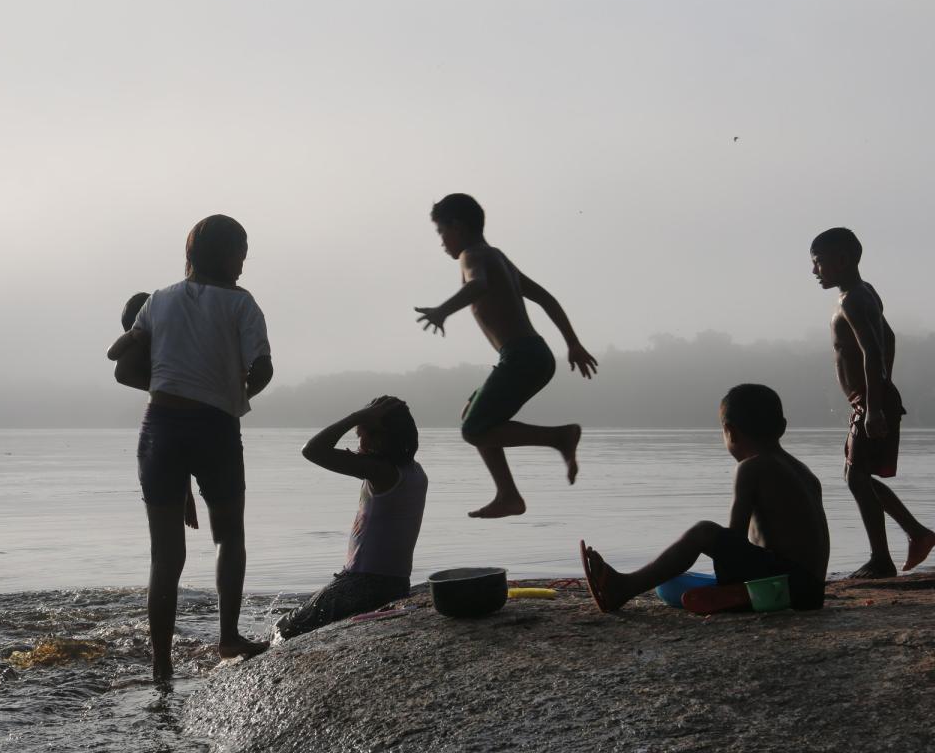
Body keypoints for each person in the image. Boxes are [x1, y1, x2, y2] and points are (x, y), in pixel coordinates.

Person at [106, 214, 274, 679]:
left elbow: (123, 361)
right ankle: (228, 638)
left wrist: (170, 380)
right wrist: (233, 392)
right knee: (228, 536)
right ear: (225, 254)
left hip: (159, 426)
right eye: (241, 251)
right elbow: (261, 369)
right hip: (214, 427)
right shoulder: (242, 304)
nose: (244, 262)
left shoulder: (158, 300)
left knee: (165, 556)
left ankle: (161, 663)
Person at [414, 193, 597, 519]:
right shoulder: (498, 257)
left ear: (456, 226)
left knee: (473, 430)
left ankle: (560, 436)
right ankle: (508, 495)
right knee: (472, 413)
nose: (442, 242)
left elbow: (477, 286)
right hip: (535, 355)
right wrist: (573, 343)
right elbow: (547, 299)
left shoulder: (471, 255)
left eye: (442, 233)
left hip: (522, 356)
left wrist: (443, 310)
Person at [580, 384, 830, 612]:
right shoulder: (804, 473)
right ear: (783, 427)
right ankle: (738, 595)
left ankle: (623, 587)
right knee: (673, 578)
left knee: (704, 532)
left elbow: (733, 541)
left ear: (729, 431)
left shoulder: (751, 467)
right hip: (810, 591)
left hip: (786, 588)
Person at [810, 227, 935, 578]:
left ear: (842, 260)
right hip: (869, 398)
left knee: (855, 477)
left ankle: (884, 557)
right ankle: (916, 533)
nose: (814, 271)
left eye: (819, 263)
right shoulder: (865, 293)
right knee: (858, 476)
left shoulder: (853, 299)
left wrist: (876, 404)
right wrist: (882, 386)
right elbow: (890, 338)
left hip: (871, 401)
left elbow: (873, 349)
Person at [275, 396, 427, 639]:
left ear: (381, 438)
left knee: (284, 627)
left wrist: (355, 417)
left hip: (361, 584)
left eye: (361, 434)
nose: (359, 441)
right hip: (396, 583)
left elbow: (312, 450)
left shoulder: (379, 471)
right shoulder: (414, 471)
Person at [112, 291, 201, 531]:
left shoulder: (164, 350)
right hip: (170, 428)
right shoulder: (158, 349)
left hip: (166, 430)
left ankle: (185, 497)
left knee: (166, 552)